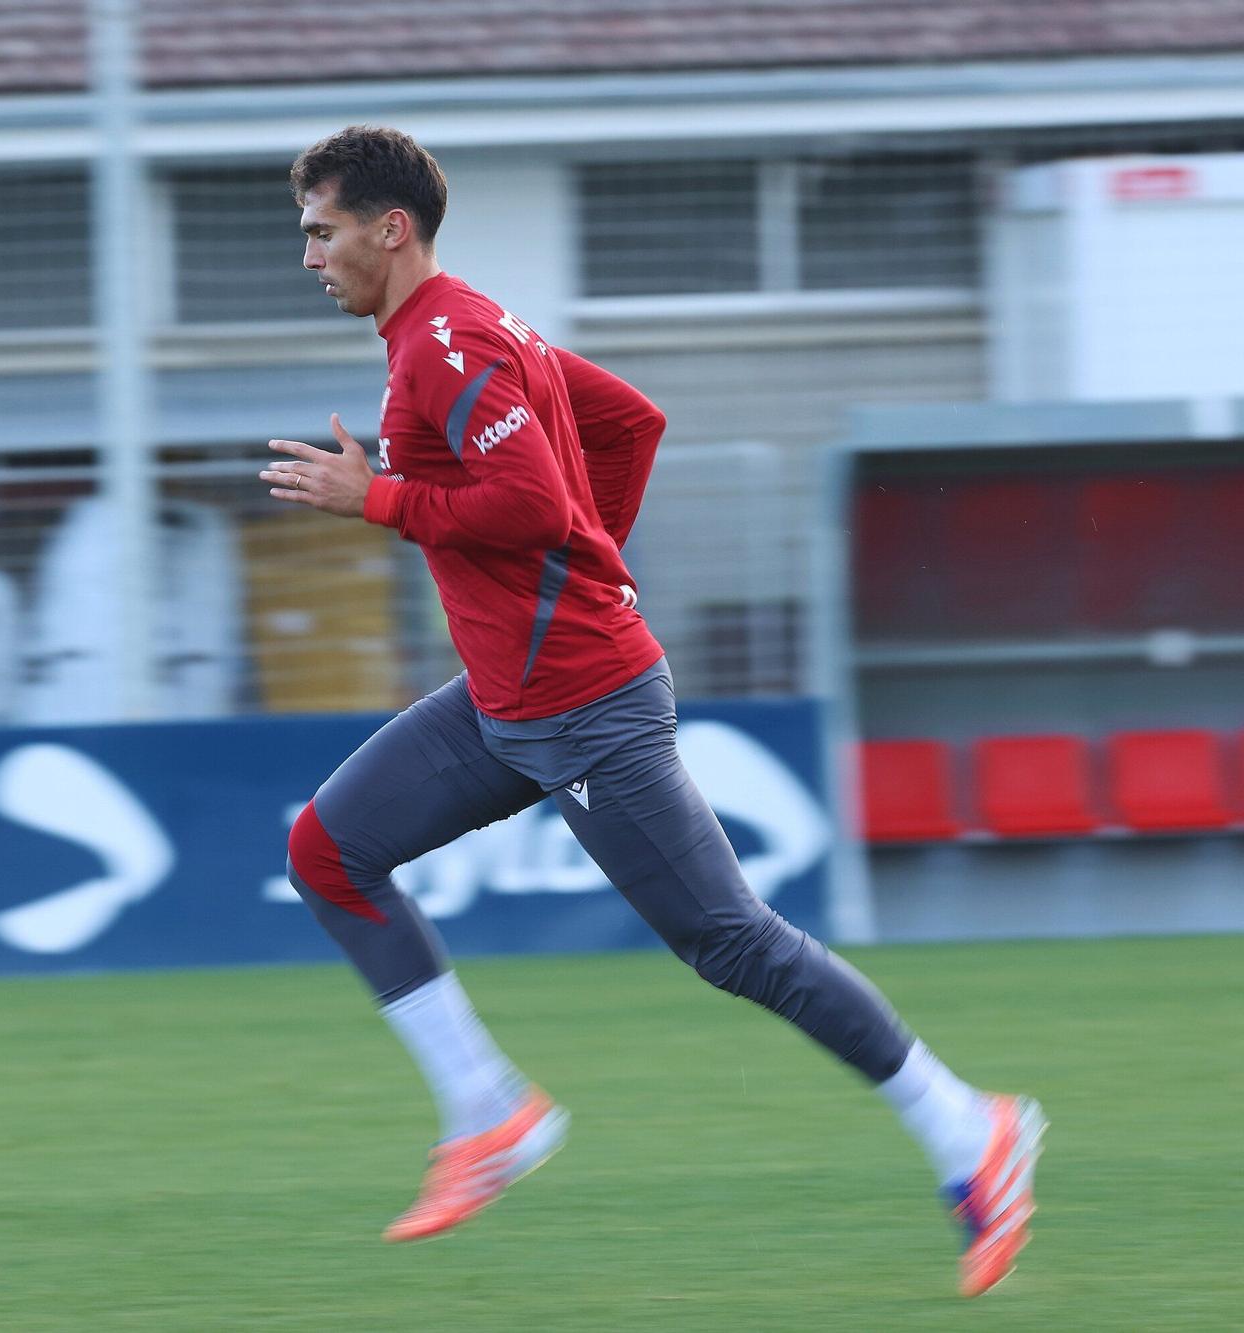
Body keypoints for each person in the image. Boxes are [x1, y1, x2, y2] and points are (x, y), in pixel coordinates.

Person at [260, 125, 1043, 1296]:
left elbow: (524, 503)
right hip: (508, 694)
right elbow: (630, 421)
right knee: (326, 850)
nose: (308, 256)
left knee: (729, 941)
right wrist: (579, 570)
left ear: (391, 228)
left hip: (581, 702)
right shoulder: (458, 328)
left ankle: (968, 1126)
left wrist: (379, 499)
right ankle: (487, 1111)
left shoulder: (446, 345)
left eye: (321, 233)